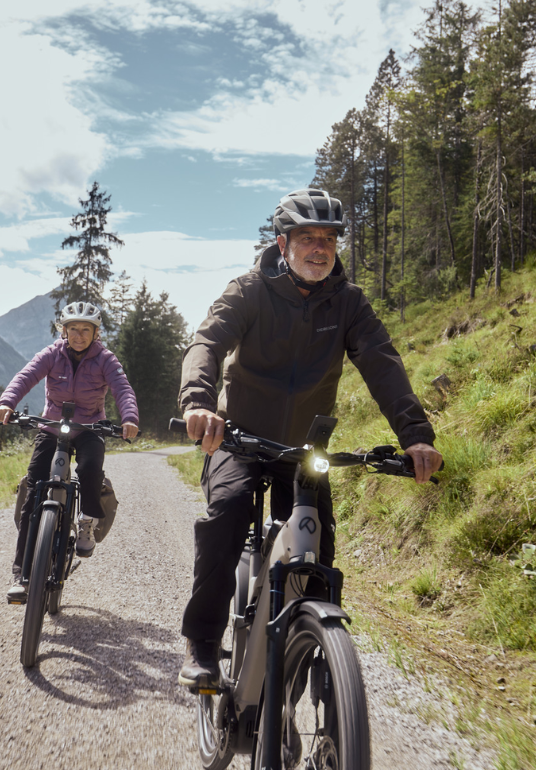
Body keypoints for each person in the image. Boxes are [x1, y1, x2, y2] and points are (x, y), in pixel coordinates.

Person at [176, 188, 443, 687]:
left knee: (314, 551)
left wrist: (415, 436)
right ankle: (203, 641)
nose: (320, 248)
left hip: (304, 452)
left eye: (329, 239)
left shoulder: (349, 304)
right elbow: (206, 343)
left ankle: (304, 667)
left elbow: (383, 365)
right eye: (307, 238)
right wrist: (198, 403)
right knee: (228, 514)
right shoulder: (248, 290)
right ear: (283, 244)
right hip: (238, 440)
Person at [0, 301, 139, 602]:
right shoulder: (51, 354)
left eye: (86, 330)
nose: (79, 335)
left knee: (89, 470)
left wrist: (129, 419)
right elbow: (26, 376)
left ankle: (87, 520)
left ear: (95, 333)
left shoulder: (106, 360)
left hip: (90, 428)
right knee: (34, 485)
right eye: (73, 329)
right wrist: (7, 402)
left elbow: (122, 389)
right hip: (51, 425)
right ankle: (22, 576)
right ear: (64, 330)